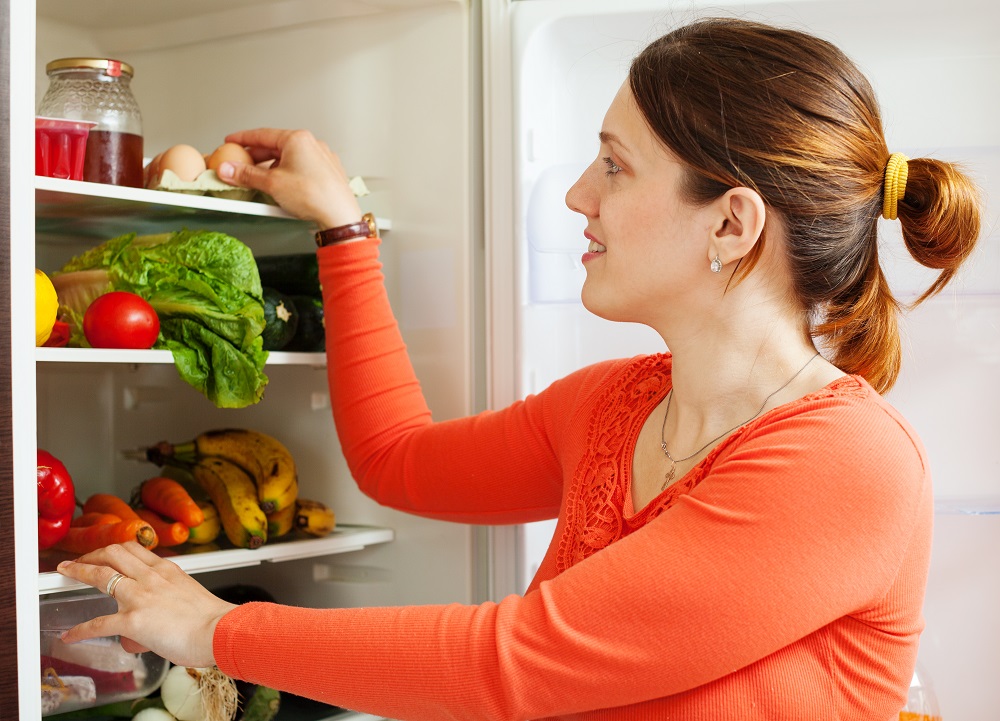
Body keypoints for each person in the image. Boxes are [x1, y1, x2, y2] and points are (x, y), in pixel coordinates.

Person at [57, 16, 981, 721]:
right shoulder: (617, 404)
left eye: (614, 167)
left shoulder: (844, 464)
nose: (578, 193)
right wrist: (343, 226)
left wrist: (215, 629)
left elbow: (519, 660)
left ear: (731, 224)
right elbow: (396, 458)